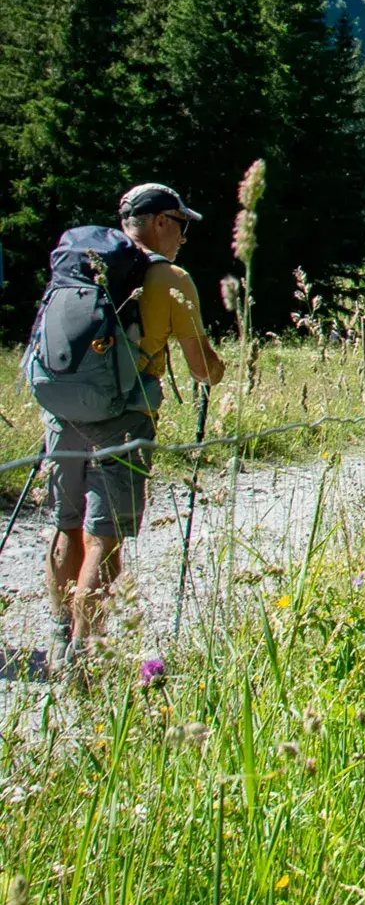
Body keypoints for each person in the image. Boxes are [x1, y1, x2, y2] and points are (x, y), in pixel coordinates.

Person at [46, 182, 225, 673]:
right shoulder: (169, 278)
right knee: (104, 536)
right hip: (124, 417)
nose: (183, 237)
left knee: (66, 524)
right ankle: (85, 657)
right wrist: (217, 369)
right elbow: (201, 367)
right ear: (160, 221)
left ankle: (59, 636)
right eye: (181, 225)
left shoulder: (81, 265)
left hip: (63, 410)